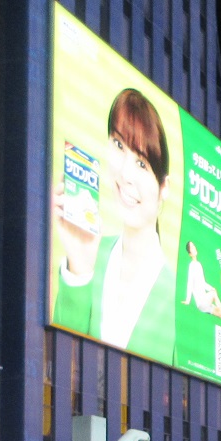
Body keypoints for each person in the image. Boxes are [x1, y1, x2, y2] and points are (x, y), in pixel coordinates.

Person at [52, 88, 177, 361]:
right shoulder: (90, 255)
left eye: (142, 163)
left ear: (163, 186)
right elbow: (58, 364)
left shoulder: (178, 299)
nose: (125, 174)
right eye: (119, 146)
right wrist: (79, 268)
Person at [180, 240, 221, 322]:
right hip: (201, 302)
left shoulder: (198, 264)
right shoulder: (192, 266)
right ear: (190, 253)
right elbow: (190, 283)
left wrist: (211, 288)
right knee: (214, 294)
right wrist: (188, 300)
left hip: (204, 299)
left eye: (194, 246)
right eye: (192, 247)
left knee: (219, 312)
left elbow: (202, 282)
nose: (194, 248)